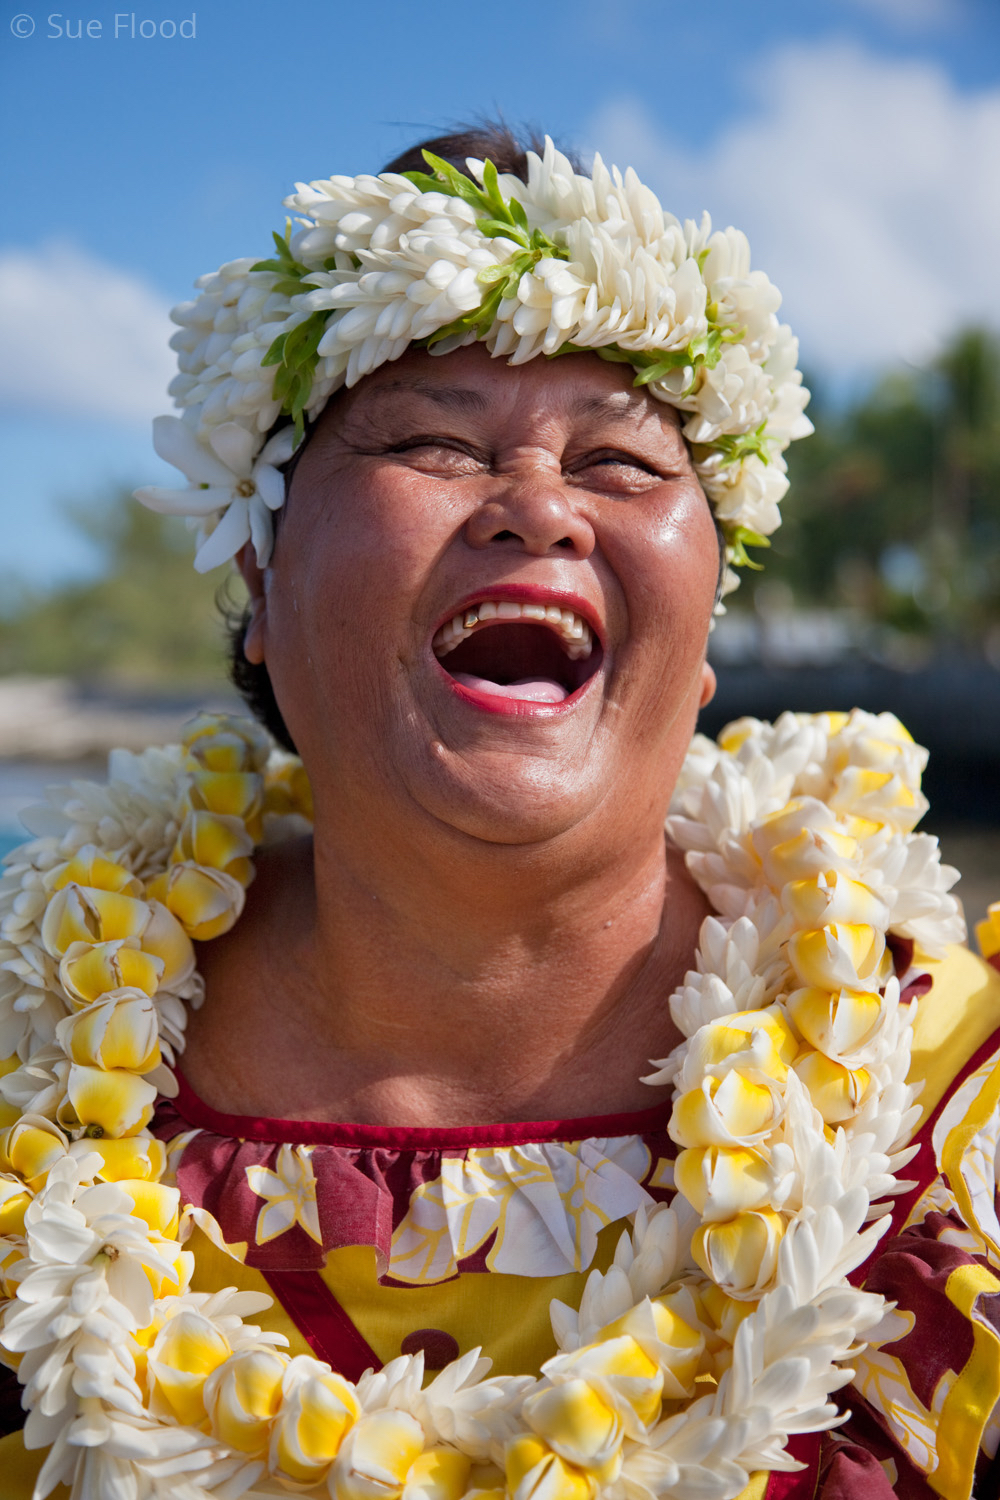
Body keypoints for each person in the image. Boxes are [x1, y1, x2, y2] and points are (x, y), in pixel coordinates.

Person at [1, 123, 999, 1500]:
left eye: (624, 465)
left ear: (704, 632)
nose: (540, 507)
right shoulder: (27, 1075)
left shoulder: (952, 1109)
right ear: (264, 593)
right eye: (429, 440)